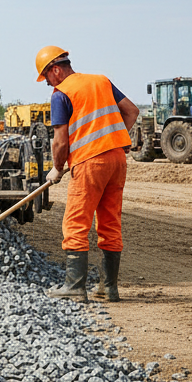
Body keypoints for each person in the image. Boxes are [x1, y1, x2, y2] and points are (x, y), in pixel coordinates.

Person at [36, 45, 140, 302]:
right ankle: (109, 288)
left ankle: (74, 287)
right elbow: (132, 111)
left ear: (56, 70)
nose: (49, 85)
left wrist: (57, 168)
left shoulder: (62, 94)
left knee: (75, 222)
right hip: (117, 160)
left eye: (46, 79)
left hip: (90, 163)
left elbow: (60, 142)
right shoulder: (101, 81)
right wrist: (115, 139)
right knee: (110, 221)